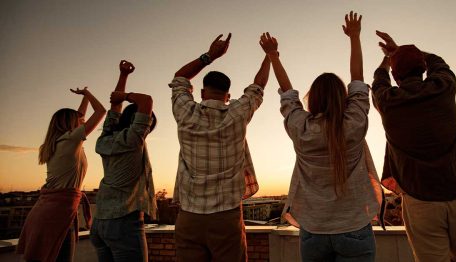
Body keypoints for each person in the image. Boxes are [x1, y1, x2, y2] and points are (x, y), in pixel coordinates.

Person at [260, 11, 383, 262]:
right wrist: (355, 37)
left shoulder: (300, 128)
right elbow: (358, 80)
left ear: (312, 99)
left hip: (314, 230)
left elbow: (287, 93)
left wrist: (273, 56)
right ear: (343, 98)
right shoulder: (355, 123)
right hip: (354, 227)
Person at [372, 31, 456, 262]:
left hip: (421, 202)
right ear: (422, 69)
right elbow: (439, 62)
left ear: (396, 76)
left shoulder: (388, 102)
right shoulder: (444, 87)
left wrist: (388, 59)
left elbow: (378, 79)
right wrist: (399, 51)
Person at [169, 33, 271, 262]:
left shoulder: (185, 112)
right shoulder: (237, 113)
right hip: (226, 217)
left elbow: (179, 78)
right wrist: (269, 57)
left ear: (203, 93)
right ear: (228, 96)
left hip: (189, 217)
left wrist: (210, 56)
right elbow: (258, 86)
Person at [17, 87, 106, 262]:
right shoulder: (70, 140)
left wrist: (84, 97)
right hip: (56, 213)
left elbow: (79, 114)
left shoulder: (61, 141)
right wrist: (87, 94)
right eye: (80, 120)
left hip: (51, 210)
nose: (83, 120)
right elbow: (101, 111)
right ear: (71, 124)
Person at [90, 60, 157, 262]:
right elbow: (146, 101)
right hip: (124, 222)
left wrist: (123, 76)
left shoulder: (105, 138)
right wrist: (127, 96)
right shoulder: (133, 140)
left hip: (100, 223)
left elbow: (115, 108)